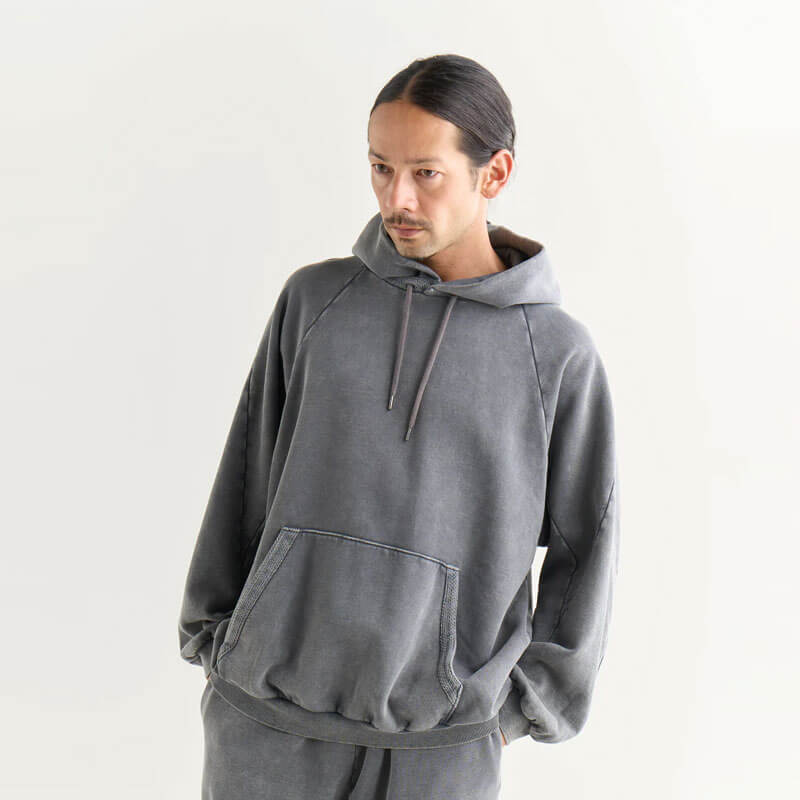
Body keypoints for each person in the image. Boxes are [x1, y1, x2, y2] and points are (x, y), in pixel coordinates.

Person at [178, 53, 620, 800]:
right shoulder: (315, 302)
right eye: (381, 168)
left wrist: (522, 709)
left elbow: (587, 547)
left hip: (438, 751)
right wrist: (215, 631)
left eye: (426, 173)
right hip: (262, 723)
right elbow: (246, 477)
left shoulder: (555, 355)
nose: (397, 198)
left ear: (494, 173)